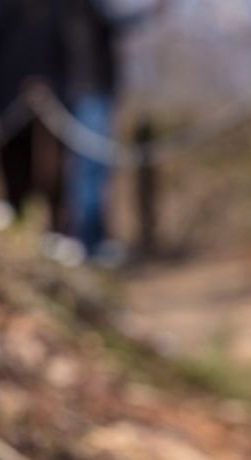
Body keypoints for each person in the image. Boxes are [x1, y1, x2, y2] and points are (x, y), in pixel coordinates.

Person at [0, 0, 72, 244]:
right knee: (14, 179)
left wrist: (60, 91)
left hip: (53, 109)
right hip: (5, 111)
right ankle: (16, 241)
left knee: (55, 176)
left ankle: (58, 235)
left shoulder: (56, 8)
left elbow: (70, 56)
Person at [61, 0, 161, 263]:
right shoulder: (76, 8)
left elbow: (116, 23)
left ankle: (92, 240)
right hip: (88, 91)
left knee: (95, 169)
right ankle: (88, 241)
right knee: (90, 168)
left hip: (91, 91)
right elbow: (118, 23)